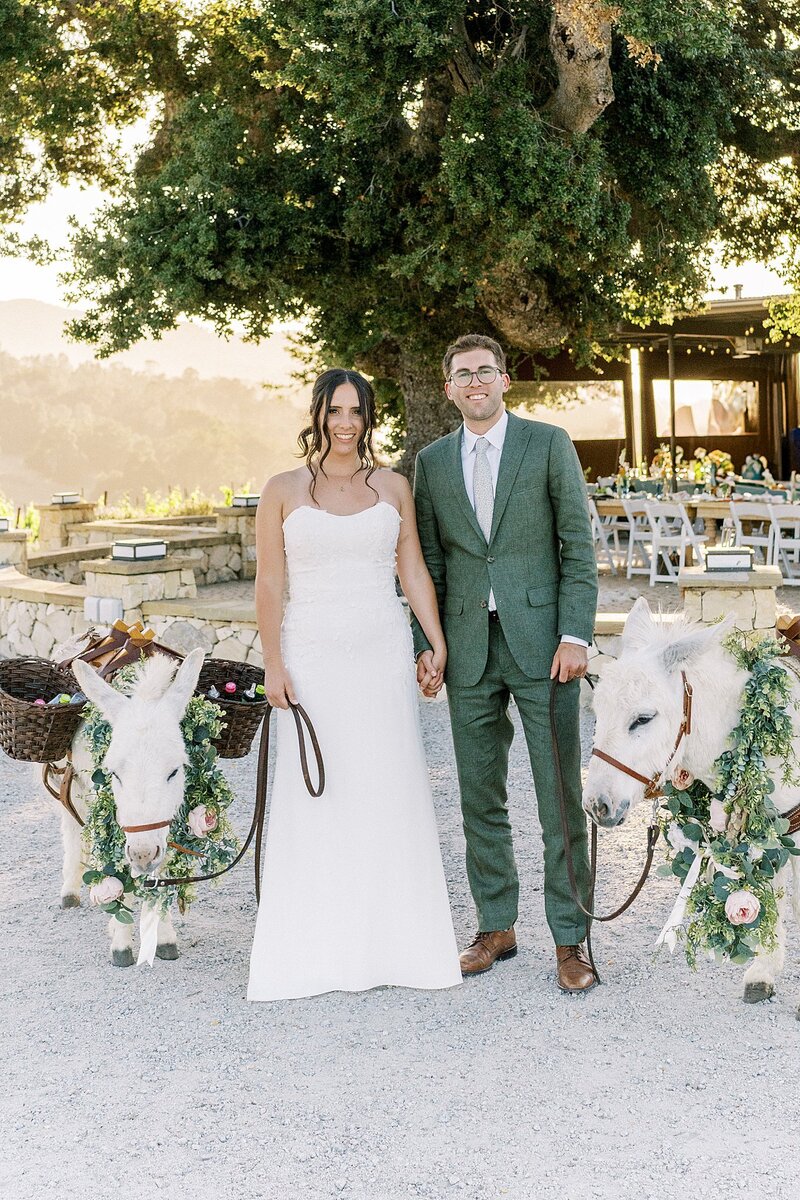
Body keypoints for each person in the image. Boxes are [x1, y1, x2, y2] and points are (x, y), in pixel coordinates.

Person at [248, 367, 462, 1000]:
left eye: (357, 413)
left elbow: (414, 571)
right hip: (311, 656)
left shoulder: (393, 486)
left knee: (386, 784)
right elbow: (269, 584)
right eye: (335, 411)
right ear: (316, 415)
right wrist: (274, 664)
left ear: (370, 419)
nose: (345, 424)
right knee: (316, 794)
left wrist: (436, 640)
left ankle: (395, 946)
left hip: (380, 653)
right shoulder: (281, 490)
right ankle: (315, 947)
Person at [411, 334, 598, 993]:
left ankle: (571, 940)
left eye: (485, 371)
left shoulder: (548, 444)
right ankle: (497, 925)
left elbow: (578, 546)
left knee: (559, 798)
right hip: (467, 649)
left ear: (505, 379)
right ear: (448, 388)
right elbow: (428, 563)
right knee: (478, 797)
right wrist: (425, 644)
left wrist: (575, 633)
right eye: (462, 374)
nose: (475, 382)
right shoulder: (431, 463)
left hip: (547, 648)